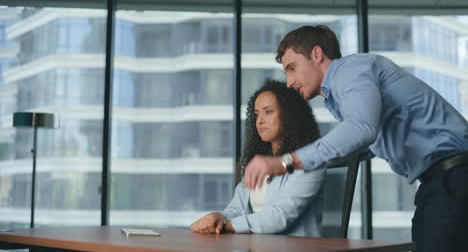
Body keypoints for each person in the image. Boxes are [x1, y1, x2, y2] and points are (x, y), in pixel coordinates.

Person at [243, 25, 468, 251]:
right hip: (441, 181)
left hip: (454, 178)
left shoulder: (350, 72)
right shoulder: (338, 95)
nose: (289, 82)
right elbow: (362, 142)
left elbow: (361, 128)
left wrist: (287, 162)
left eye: (292, 68)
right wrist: (301, 162)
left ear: (317, 54)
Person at [190, 80, 325, 236]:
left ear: (289, 115)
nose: (259, 120)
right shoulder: (258, 163)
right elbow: (236, 210)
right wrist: (218, 218)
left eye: (268, 112)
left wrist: (227, 225)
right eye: (257, 114)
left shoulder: (308, 160)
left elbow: (280, 217)